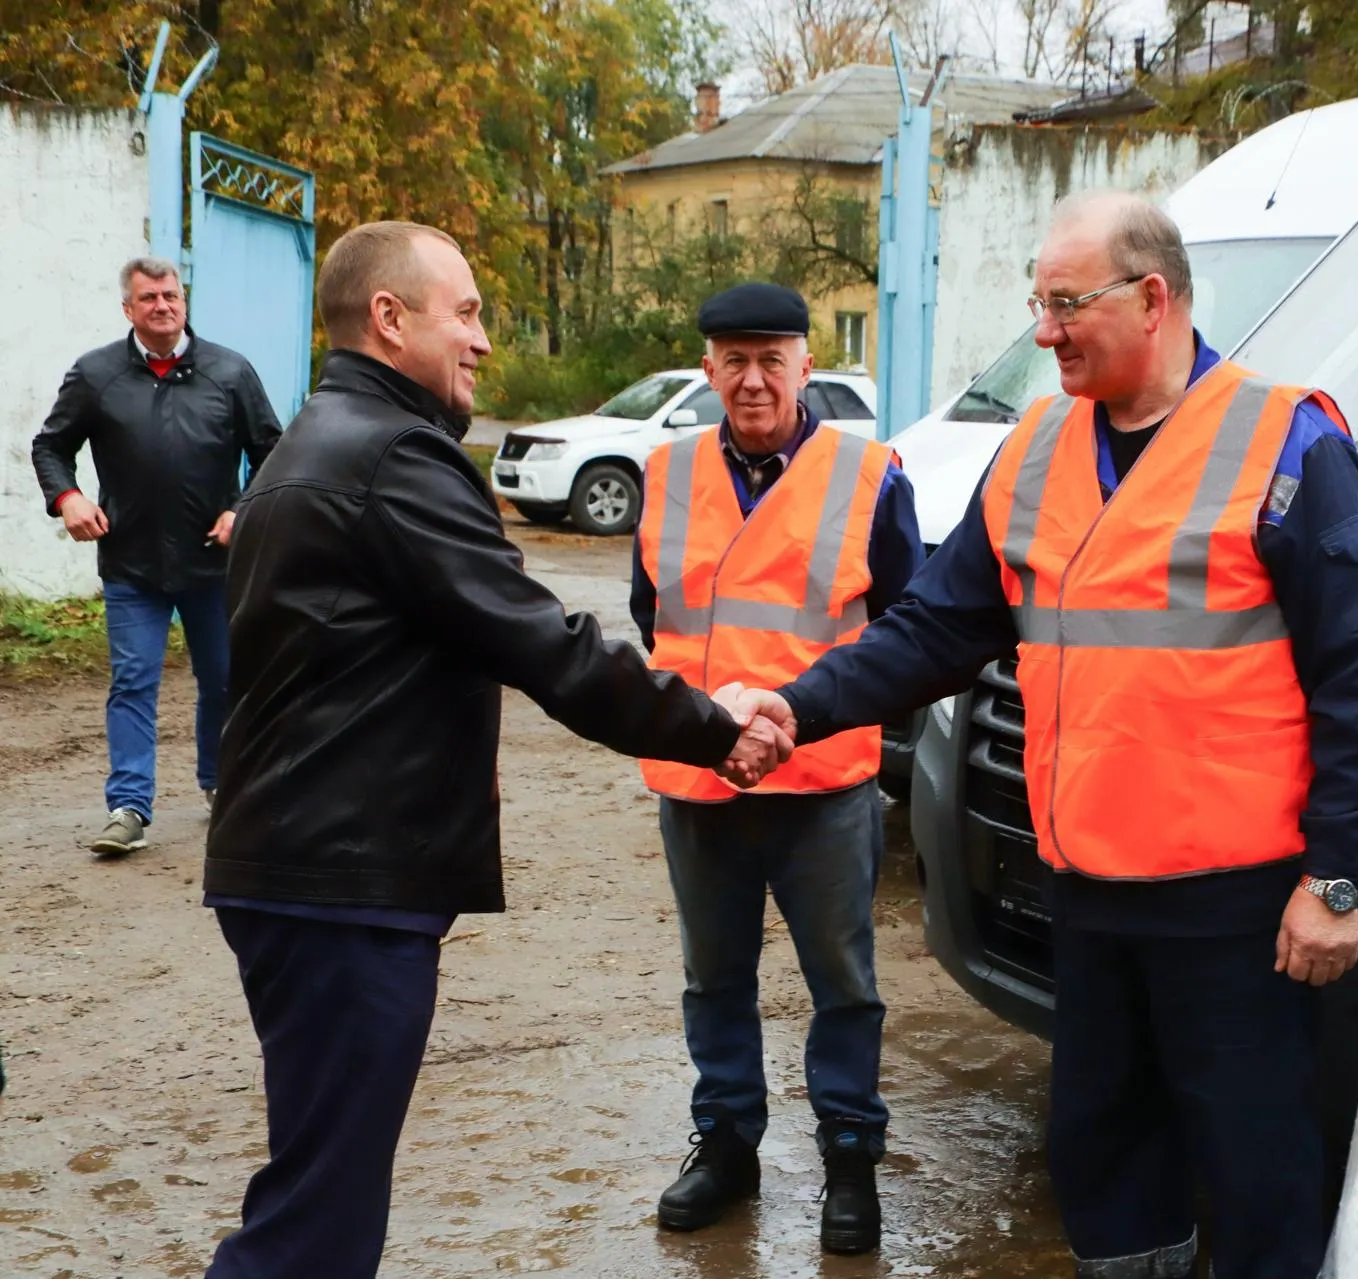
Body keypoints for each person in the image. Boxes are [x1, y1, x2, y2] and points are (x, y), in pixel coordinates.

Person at [730, 191, 1358, 1279]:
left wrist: (1336, 876)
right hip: (1087, 891)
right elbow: (939, 626)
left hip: (1235, 903)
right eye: (1037, 305)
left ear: (1153, 299)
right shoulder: (1040, 444)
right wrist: (800, 704)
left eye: (1064, 304)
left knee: (1256, 1162)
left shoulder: (1286, 443)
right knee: (1102, 1151)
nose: (1043, 332)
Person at [197, 220, 791, 1279]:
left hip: (305, 872)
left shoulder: (316, 440)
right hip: (339, 886)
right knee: (314, 1220)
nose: (480, 339)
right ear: (390, 318)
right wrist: (714, 723)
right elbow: (543, 641)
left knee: (319, 1186)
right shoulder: (389, 455)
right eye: (463, 311)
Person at [629, 282, 924, 1255]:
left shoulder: (869, 474)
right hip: (699, 782)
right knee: (712, 977)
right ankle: (726, 1144)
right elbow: (650, 617)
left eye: (773, 358)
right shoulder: (665, 472)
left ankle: (849, 1154)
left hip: (824, 784)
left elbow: (906, 630)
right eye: (733, 359)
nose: (753, 379)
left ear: (807, 364)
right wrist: (717, 724)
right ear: (708, 367)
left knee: (843, 980)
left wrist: (798, 721)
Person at [31, 257, 283, 856]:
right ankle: (128, 808)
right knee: (133, 681)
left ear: (184, 301)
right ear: (129, 309)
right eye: (148, 298)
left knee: (223, 680)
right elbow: (51, 446)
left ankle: (221, 786)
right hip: (132, 564)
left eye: (170, 295)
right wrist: (66, 498)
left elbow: (272, 450)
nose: (162, 305)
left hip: (213, 564)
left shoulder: (230, 371)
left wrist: (242, 510)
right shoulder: (96, 375)